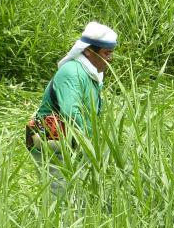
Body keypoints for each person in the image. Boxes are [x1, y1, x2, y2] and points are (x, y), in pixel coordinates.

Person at [26, 21, 118, 196]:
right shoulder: (71, 72)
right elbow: (72, 112)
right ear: (88, 52)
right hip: (50, 138)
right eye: (107, 53)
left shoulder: (91, 73)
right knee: (60, 197)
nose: (110, 59)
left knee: (78, 194)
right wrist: (89, 147)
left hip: (72, 140)